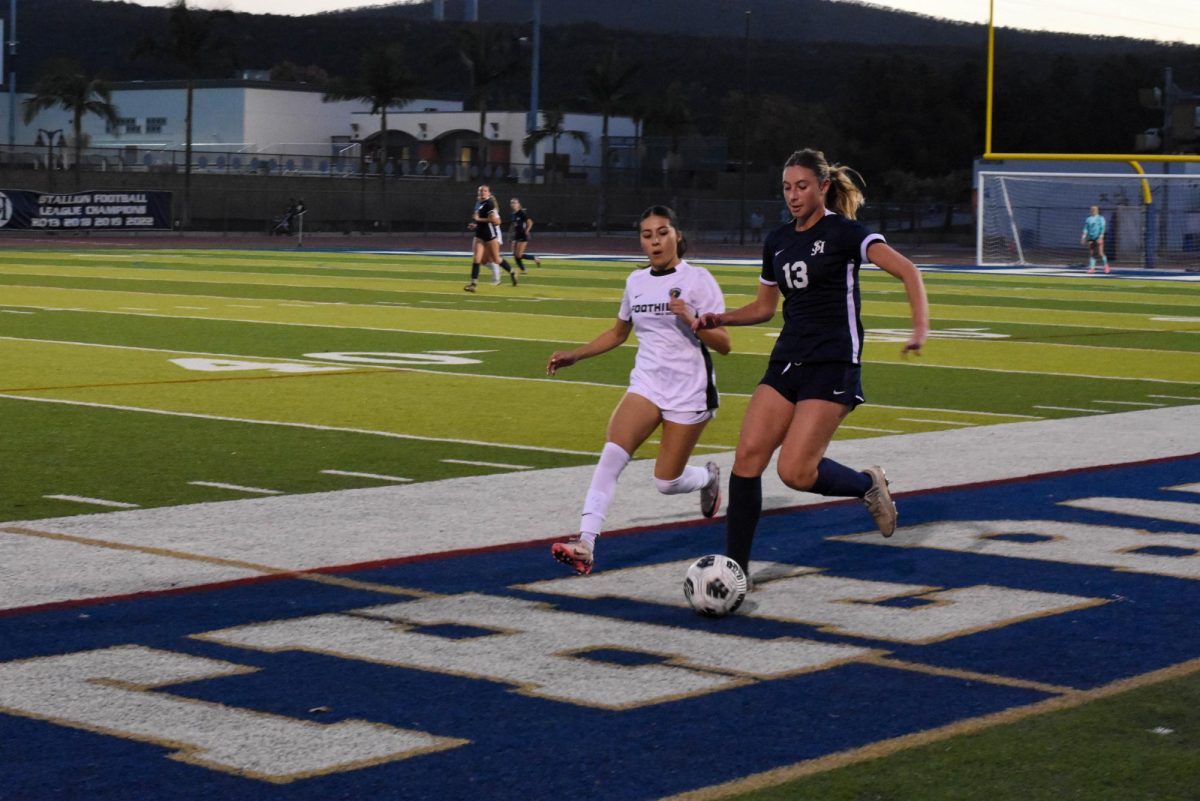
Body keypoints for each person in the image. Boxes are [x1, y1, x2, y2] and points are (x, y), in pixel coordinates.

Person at [694, 148, 928, 578]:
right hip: (788, 358)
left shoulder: (844, 232)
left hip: (833, 360)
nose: (794, 195)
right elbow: (765, 308)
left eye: (802, 186)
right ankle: (736, 572)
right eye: (787, 187)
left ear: (823, 187)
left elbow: (909, 271)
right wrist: (722, 317)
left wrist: (919, 330)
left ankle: (866, 485)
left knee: (796, 472)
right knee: (747, 458)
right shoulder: (778, 240)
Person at [547, 205, 731, 575]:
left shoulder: (699, 279)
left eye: (662, 232)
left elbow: (724, 343)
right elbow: (618, 333)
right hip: (647, 384)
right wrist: (576, 355)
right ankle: (586, 542)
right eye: (647, 235)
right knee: (612, 454)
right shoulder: (636, 282)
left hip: (689, 390)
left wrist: (692, 318)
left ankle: (709, 476)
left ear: (677, 235)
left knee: (666, 482)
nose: (655, 241)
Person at [463, 184, 519, 292]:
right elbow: (480, 221)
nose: (482, 192)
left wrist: (478, 219)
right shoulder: (478, 203)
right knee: (477, 259)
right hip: (479, 235)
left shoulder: (489, 203)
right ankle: (473, 284)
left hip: (490, 235)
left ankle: (512, 272)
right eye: (480, 191)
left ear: (488, 193)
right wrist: (475, 225)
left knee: (496, 259)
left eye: (484, 191)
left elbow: (494, 220)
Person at [509, 197, 542, 272]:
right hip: (516, 236)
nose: (513, 204)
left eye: (515, 202)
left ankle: (534, 258)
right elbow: (513, 225)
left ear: (518, 204)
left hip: (522, 236)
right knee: (515, 254)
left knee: (519, 255)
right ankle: (523, 269)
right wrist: (511, 236)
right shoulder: (513, 214)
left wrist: (527, 231)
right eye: (511, 203)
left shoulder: (522, 213)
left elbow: (530, 222)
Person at [1081, 205, 1110, 273]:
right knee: (1092, 253)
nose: (1093, 211)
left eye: (1095, 210)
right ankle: (1092, 268)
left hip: (1098, 237)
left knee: (1100, 253)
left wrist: (1101, 236)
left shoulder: (1101, 218)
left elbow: (1103, 228)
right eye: (1092, 210)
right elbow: (1086, 228)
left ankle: (1106, 266)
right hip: (1091, 237)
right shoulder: (1088, 219)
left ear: (1097, 211)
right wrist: (1083, 237)